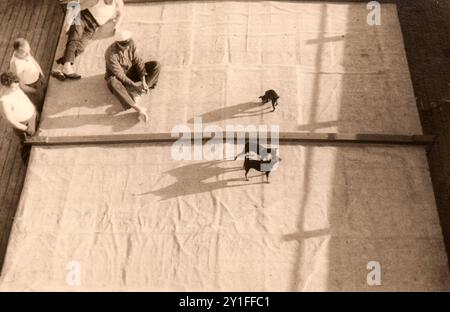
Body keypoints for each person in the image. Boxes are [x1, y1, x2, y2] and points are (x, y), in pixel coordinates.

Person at [52, 0, 124, 81]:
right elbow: (77, 6)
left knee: (81, 47)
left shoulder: (118, 3)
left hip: (92, 27)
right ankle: (67, 67)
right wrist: (68, 22)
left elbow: (120, 15)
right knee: (74, 38)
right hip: (81, 17)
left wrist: (117, 26)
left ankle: (59, 68)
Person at [104, 30, 161, 122]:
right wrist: (135, 86)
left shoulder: (131, 43)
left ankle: (140, 91)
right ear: (118, 44)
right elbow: (120, 75)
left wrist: (143, 80)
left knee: (156, 65)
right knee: (112, 82)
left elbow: (138, 62)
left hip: (130, 71)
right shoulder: (110, 54)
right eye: (125, 45)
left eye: (128, 42)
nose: (127, 46)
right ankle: (138, 108)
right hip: (118, 77)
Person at [0, 72, 39, 141]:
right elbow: (10, 120)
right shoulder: (4, 101)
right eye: (13, 87)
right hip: (25, 124)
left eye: (17, 86)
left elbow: (23, 90)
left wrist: (36, 91)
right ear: (5, 86)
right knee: (30, 140)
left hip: (33, 114)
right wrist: (26, 129)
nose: (17, 88)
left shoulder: (15, 86)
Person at [10, 38, 45, 112]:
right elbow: (21, 86)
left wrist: (42, 75)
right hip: (32, 88)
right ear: (17, 52)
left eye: (28, 50)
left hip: (39, 80)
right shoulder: (16, 65)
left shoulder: (25, 53)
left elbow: (34, 62)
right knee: (38, 105)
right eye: (25, 53)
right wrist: (35, 91)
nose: (28, 54)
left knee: (43, 97)